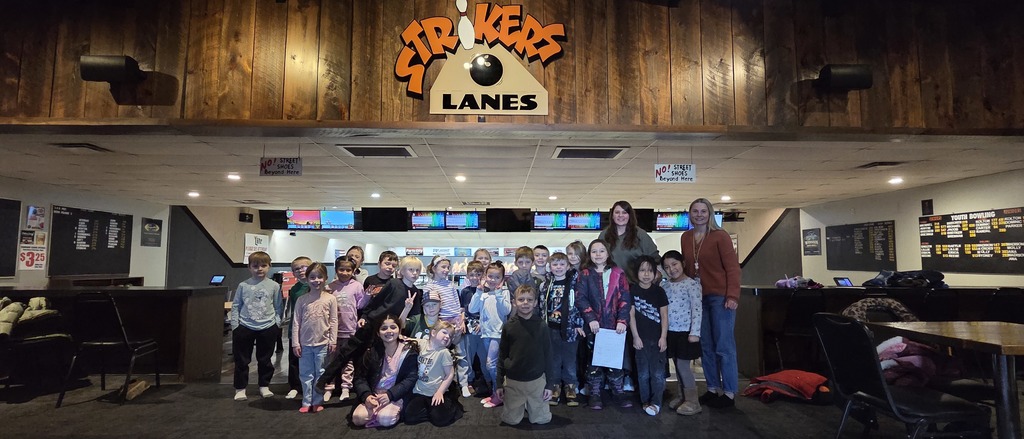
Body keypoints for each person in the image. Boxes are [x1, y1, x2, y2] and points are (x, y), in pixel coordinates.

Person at [316, 256, 423, 393]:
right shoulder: (393, 284)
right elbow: (375, 302)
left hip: (386, 331)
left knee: (370, 359)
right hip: (371, 323)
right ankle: (324, 381)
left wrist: (406, 311)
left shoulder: (415, 292)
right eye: (411, 270)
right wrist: (365, 316)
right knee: (346, 353)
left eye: (417, 270)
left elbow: (408, 318)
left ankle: (365, 388)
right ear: (402, 271)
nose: (414, 273)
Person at [680, 197, 741, 409]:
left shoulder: (720, 236)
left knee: (724, 346)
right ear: (690, 214)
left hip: (720, 297)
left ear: (710, 213)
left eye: (703, 211)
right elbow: (688, 269)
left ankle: (730, 392)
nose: (699, 215)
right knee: (706, 345)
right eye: (695, 211)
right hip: (698, 298)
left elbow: (733, 268)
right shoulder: (686, 237)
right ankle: (713, 388)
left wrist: (732, 296)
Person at [575, 239, 632, 410]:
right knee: (594, 361)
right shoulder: (584, 274)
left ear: (608, 253)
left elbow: (625, 298)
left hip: (615, 326)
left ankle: (618, 392)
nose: (598, 254)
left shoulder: (618, 273)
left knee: (615, 360)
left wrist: (622, 320)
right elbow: (581, 298)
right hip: (594, 326)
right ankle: (594, 393)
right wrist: (590, 318)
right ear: (589, 254)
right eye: (594, 251)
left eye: (601, 251)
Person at [496, 285, 555, 426]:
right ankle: (521, 405)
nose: (525, 303)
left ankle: (531, 405)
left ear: (535, 303)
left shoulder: (542, 326)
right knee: (511, 420)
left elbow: (549, 355)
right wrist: (499, 384)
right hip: (514, 381)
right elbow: (502, 355)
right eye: (521, 299)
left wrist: (550, 385)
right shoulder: (508, 326)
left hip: (536, 381)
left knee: (541, 419)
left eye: (529, 300)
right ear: (514, 302)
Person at [229, 251, 283, 401]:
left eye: (263, 265)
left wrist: (276, 323)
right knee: (242, 360)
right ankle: (240, 388)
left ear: (269, 267)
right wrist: (235, 326)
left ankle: (264, 385)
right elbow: (236, 305)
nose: (259, 269)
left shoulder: (274, 286)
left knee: (265, 359)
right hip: (244, 326)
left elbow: (279, 306)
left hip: (268, 326)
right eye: (255, 266)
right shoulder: (243, 285)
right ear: (249, 268)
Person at [351, 315, 420, 428]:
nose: (389, 331)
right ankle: (376, 413)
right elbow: (359, 378)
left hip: (396, 396)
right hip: (374, 395)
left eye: (393, 327)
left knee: (385, 419)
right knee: (358, 419)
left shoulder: (408, 352)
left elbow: (411, 378)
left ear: (399, 330)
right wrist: (367, 396)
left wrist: (390, 395)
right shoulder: (371, 352)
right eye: (384, 328)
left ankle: (382, 414)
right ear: (378, 333)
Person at [421, 255, 471, 397]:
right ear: (434, 268)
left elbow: (458, 305)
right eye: (443, 267)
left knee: (461, 354)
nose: (446, 270)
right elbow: (430, 307)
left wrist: (460, 321)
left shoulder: (450, 284)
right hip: (442, 323)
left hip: (456, 322)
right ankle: (444, 384)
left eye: (448, 267)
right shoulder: (429, 286)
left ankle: (464, 384)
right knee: (442, 355)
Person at [292, 262, 338, 413]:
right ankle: (306, 401)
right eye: (312, 277)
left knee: (321, 373)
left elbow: (333, 321)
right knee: (305, 374)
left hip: (323, 343)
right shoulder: (302, 300)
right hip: (304, 344)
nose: (316, 280)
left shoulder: (330, 299)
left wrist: (333, 340)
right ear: (307, 279)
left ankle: (317, 400)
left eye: (320, 277)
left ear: (325, 278)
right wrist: (295, 343)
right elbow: (296, 322)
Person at [661, 250, 703, 415]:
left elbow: (697, 310)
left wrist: (695, 333)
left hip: (687, 333)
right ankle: (682, 396)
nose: (671, 269)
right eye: (667, 267)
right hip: (671, 332)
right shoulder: (665, 285)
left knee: (682, 365)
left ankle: (693, 401)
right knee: (676, 366)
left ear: (683, 264)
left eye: (674, 264)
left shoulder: (692, 285)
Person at [540, 252, 584, 407]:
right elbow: (541, 305)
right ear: (550, 267)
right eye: (555, 264)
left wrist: (579, 324)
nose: (558, 267)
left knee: (570, 360)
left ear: (568, 266)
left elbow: (580, 304)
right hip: (550, 328)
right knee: (553, 360)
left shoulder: (574, 283)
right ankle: (555, 386)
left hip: (570, 328)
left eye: (562, 264)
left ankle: (571, 387)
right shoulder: (546, 284)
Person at [628, 255, 669, 416]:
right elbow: (631, 316)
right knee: (643, 373)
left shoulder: (659, 291)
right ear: (636, 273)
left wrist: (664, 337)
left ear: (655, 273)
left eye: (650, 271)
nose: (646, 274)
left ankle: (656, 402)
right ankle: (646, 401)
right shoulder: (632, 290)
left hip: (658, 339)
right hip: (640, 340)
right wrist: (636, 337)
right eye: (642, 270)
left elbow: (664, 316)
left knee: (657, 374)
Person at [468, 261, 512, 408]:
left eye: (497, 277)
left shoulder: (504, 292)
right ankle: (496, 392)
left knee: (491, 364)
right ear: (485, 276)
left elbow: (506, 310)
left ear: (502, 278)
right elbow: (472, 309)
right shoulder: (483, 293)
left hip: (498, 334)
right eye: (490, 276)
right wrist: (478, 291)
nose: (493, 280)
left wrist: (499, 294)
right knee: (492, 366)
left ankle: (500, 394)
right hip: (485, 334)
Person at [403, 321, 464, 427]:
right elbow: (408, 339)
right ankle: (430, 412)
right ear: (433, 332)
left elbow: (449, 374)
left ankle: (451, 402)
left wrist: (440, 392)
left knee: (441, 420)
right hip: (420, 391)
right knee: (409, 417)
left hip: (436, 391)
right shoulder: (423, 343)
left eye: (450, 336)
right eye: (444, 332)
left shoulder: (444, 352)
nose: (447, 337)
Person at [324, 256, 367, 402]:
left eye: (348, 270)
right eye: (341, 269)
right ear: (336, 270)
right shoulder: (330, 287)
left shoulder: (357, 286)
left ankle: (345, 387)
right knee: (331, 360)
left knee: (347, 361)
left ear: (353, 271)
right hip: (333, 331)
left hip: (350, 330)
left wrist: (367, 296)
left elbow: (361, 305)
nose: (345, 272)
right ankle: (329, 387)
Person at [598, 201, 660, 284]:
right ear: (612, 215)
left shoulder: (641, 234)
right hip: (610, 286)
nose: (620, 215)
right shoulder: (604, 235)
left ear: (630, 216)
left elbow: (655, 258)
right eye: (617, 212)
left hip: (635, 285)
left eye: (624, 212)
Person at [284, 256, 312, 400]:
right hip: (296, 329)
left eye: (304, 267)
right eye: (296, 269)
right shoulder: (294, 289)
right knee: (294, 360)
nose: (301, 271)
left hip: (312, 330)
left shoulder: (317, 284)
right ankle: (295, 386)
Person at [458, 260, 486, 396]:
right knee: (469, 357)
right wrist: (462, 321)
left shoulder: (486, 291)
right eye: (472, 275)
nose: (475, 278)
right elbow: (462, 309)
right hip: (469, 328)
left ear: (483, 275)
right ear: (467, 276)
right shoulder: (465, 291)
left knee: (483, 356)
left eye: (478, 274)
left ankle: (488, 380)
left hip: (483, 328)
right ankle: (468, 381)